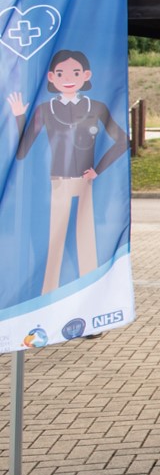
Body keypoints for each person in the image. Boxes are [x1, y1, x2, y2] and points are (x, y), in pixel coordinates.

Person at [9, 50, 128, 294]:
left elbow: (122, 140)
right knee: (55, 242)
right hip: (58, 183)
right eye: (61, 73)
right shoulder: (45, 110)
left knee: (86, 244)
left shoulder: (96, 107)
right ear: (51, 77)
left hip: (85, 183)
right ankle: (47, 296)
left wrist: (98, 169)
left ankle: (89, 296)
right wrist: (20, 116)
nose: (69, 78)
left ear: (86, 75)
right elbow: (22, 151)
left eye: (75, 72)